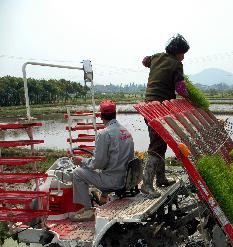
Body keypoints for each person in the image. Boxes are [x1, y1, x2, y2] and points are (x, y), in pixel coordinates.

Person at [141, 33, 190, 198]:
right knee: (157, 144)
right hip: (160, 108)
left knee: (160, 142)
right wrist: (192, 98)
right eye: (182, 53)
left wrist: (153, 64)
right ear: (177, 52)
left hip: (148, 106)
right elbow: (180, 89)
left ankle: (160, 179)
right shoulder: (176, 64)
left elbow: (144, 60)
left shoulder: (156, 57)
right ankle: (147, 185)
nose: (183, 57)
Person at [70, 100, 135, 221]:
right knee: (101, 168)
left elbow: (97, 163)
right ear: (115, 114)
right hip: (126, 178)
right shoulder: (125, 130)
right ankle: (103, 197)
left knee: (78, 173)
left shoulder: (104, 134)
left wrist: (82, 161)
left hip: (113, 181)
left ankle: (88, 211)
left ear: (100, 116)